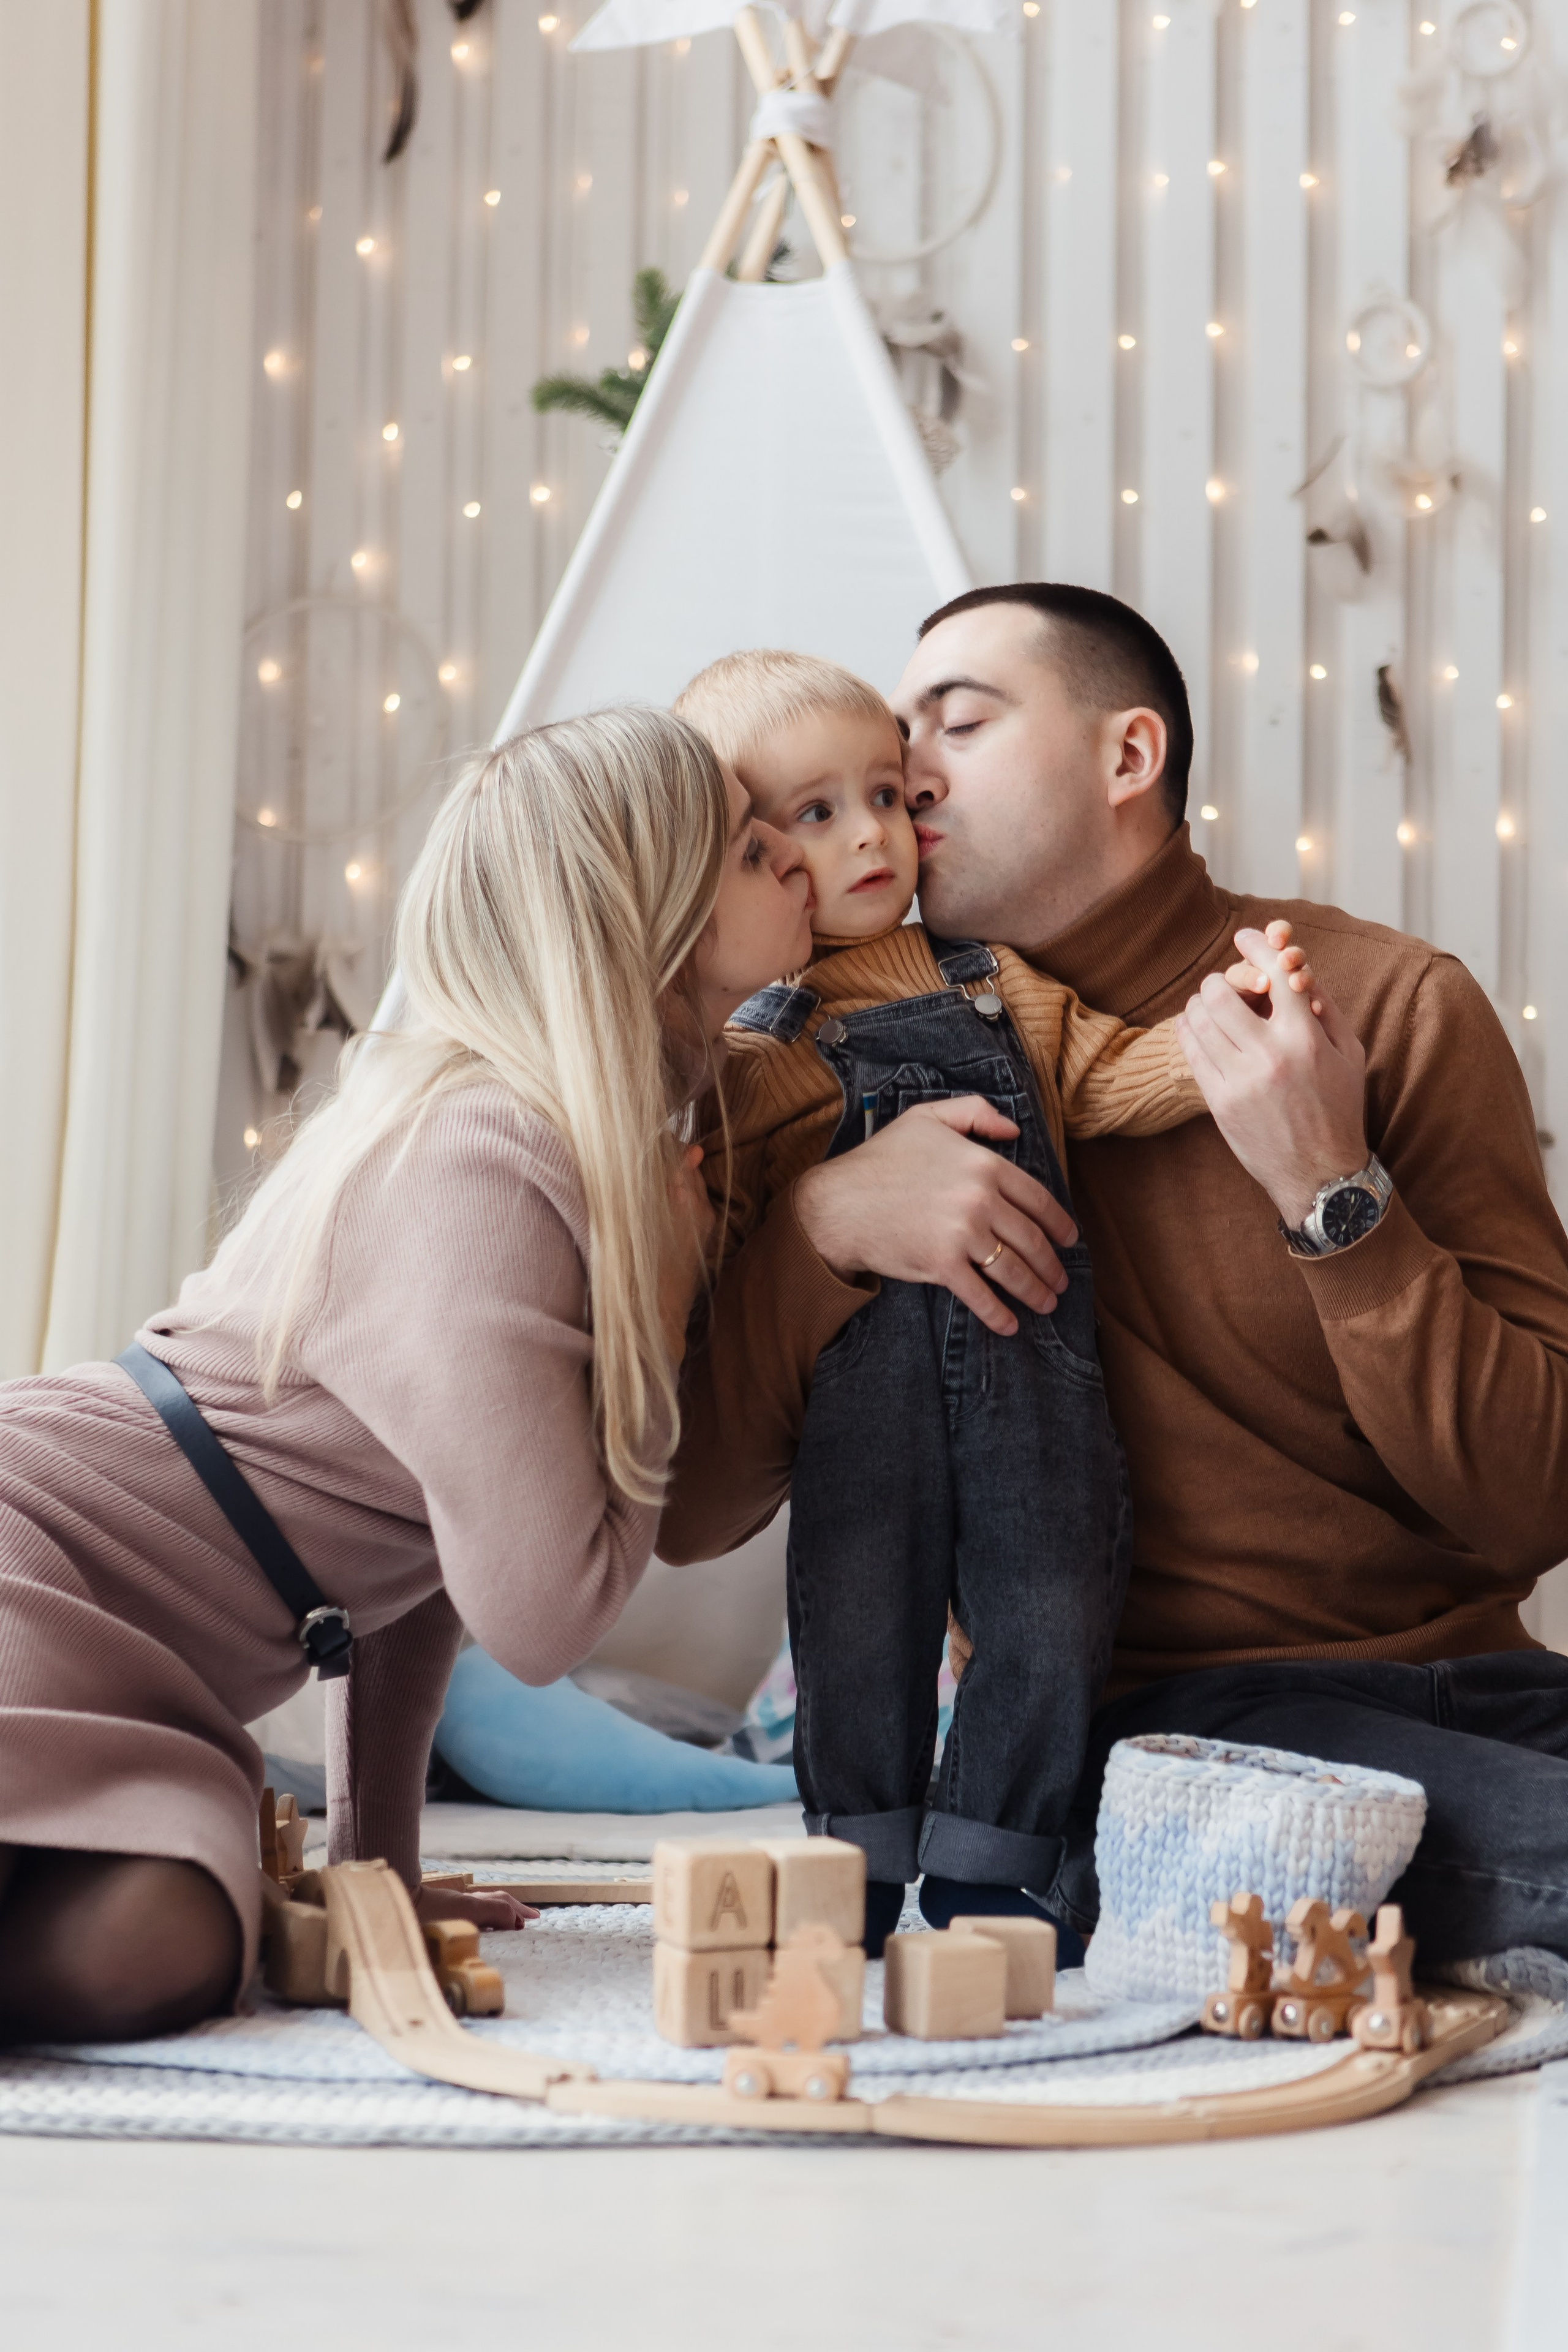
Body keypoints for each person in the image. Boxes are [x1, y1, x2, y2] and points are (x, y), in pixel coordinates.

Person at [662, 583, 1568, 1967]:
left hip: (1497, 1688)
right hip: (1172, 1730)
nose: (906, 774)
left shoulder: (1379, 1005)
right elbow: (687, 1514)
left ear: (1127, 757)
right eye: (893, 742)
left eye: (957, 724)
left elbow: (1532, 1507)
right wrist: (820, 1231)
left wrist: (1329, 1186)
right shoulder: (799, 1075)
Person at [0, 707, 815, 2042]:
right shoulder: (486, 1157)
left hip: (135, 1655)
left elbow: (413, 1556)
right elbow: (541, 1616)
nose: (796, 856)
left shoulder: (546, 1137)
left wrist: (379, 1870)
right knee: (150, 1938)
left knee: (180, 1930)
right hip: (40, 1560)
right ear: (645, 916)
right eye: (746, 846)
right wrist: (666, 1308)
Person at [675, 649, 1282, 1953]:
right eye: (815, 816)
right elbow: (720, 1250)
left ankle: (996, 1866)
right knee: (858, 1620)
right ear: (743, 857)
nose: (872, 836)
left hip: (1036, 1383)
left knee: (1052, 1607)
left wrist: (1228, 1027)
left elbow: (1115, 1078)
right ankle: (853, 1859)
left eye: (887, 797)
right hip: (861, 1415)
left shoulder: (994, 981)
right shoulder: (751, 1055)